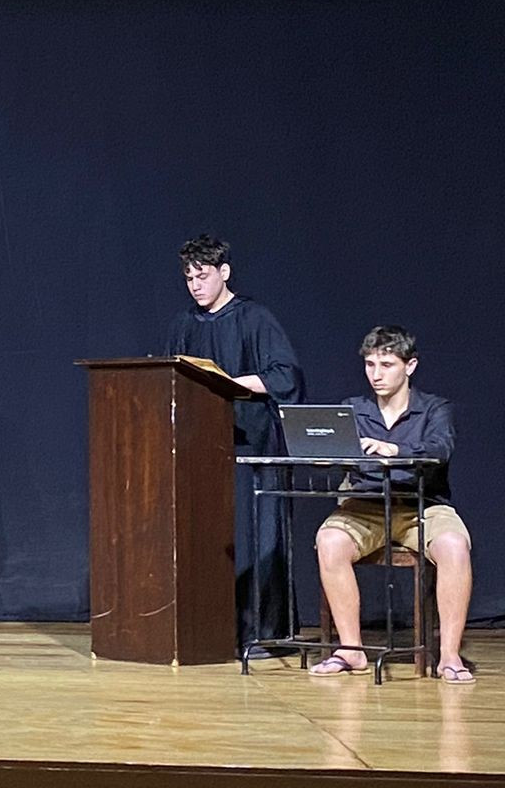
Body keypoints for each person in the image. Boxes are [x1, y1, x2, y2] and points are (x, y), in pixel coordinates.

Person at [311, 326, 473, 683]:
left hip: (421, 506)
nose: (376, 374)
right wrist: (324, 454)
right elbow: (329, 450)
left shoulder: (434, 409)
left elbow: (440, 450)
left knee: (454, 546)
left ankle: (449, 656)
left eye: (386, 365)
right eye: (370, 365)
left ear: (409, 366)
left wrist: (395, 451)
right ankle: (351, 650)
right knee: (330, 541)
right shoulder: (353, 409)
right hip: (365, 506)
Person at [165, 234, 303, 650]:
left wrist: (227, 383)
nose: (195, 286)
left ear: (224, 272)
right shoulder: (184, 324)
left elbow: (285, 375)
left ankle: (263, 632)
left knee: (257, 535)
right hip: (203, 447)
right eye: (189, 278)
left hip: (253, 445)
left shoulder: (254, 318)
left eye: (203, 276)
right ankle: (209, 629)